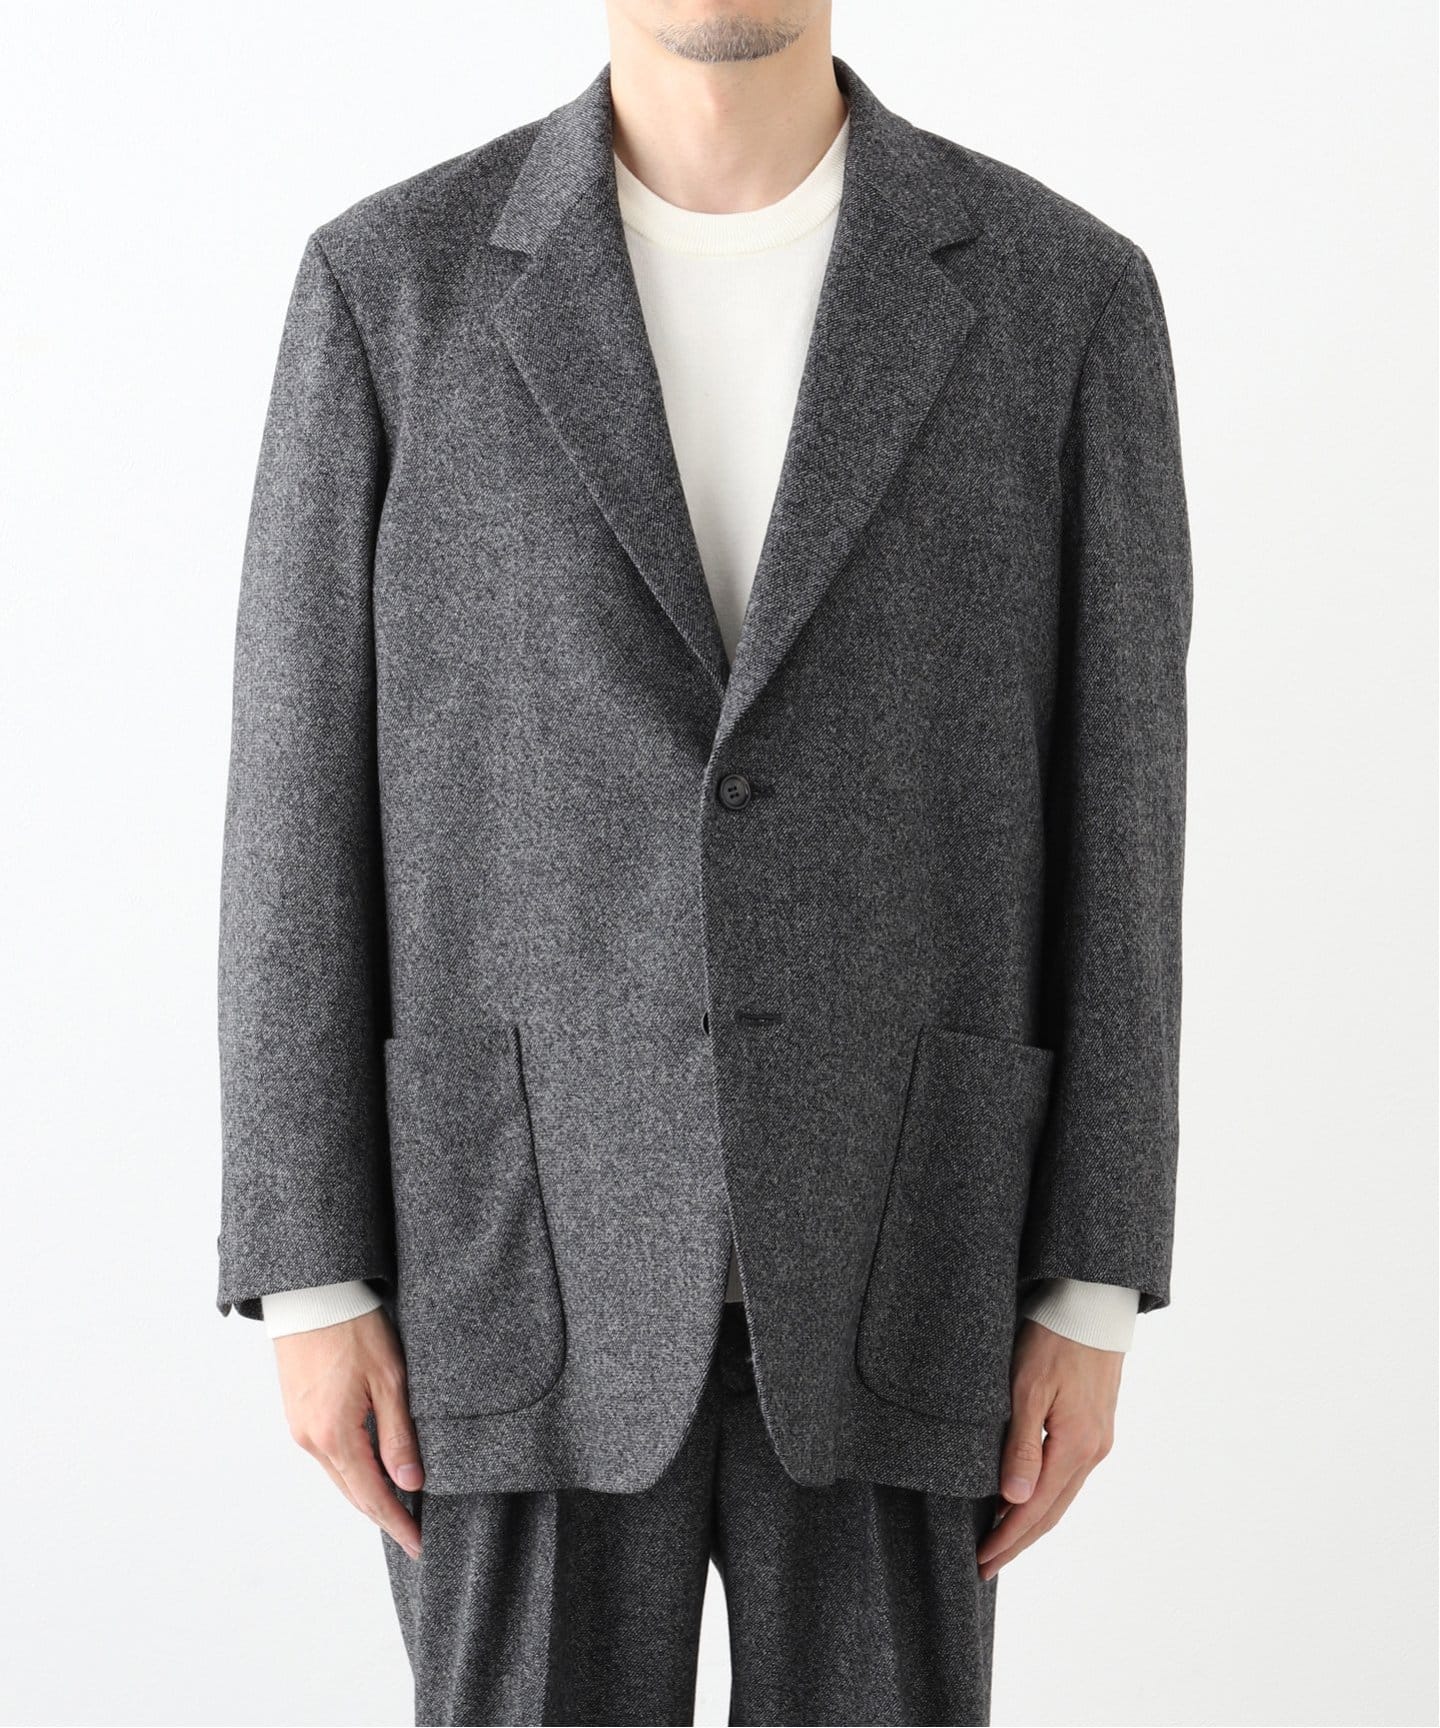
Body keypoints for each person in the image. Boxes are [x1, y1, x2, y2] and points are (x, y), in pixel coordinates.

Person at [216, 4, 1192, 1723]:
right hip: (511, 1252)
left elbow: (1125, 807)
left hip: (913, 1237)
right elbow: (296, 792)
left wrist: (1094, 1281)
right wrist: (309, 1269)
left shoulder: (1063, 297)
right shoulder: (393, 289)